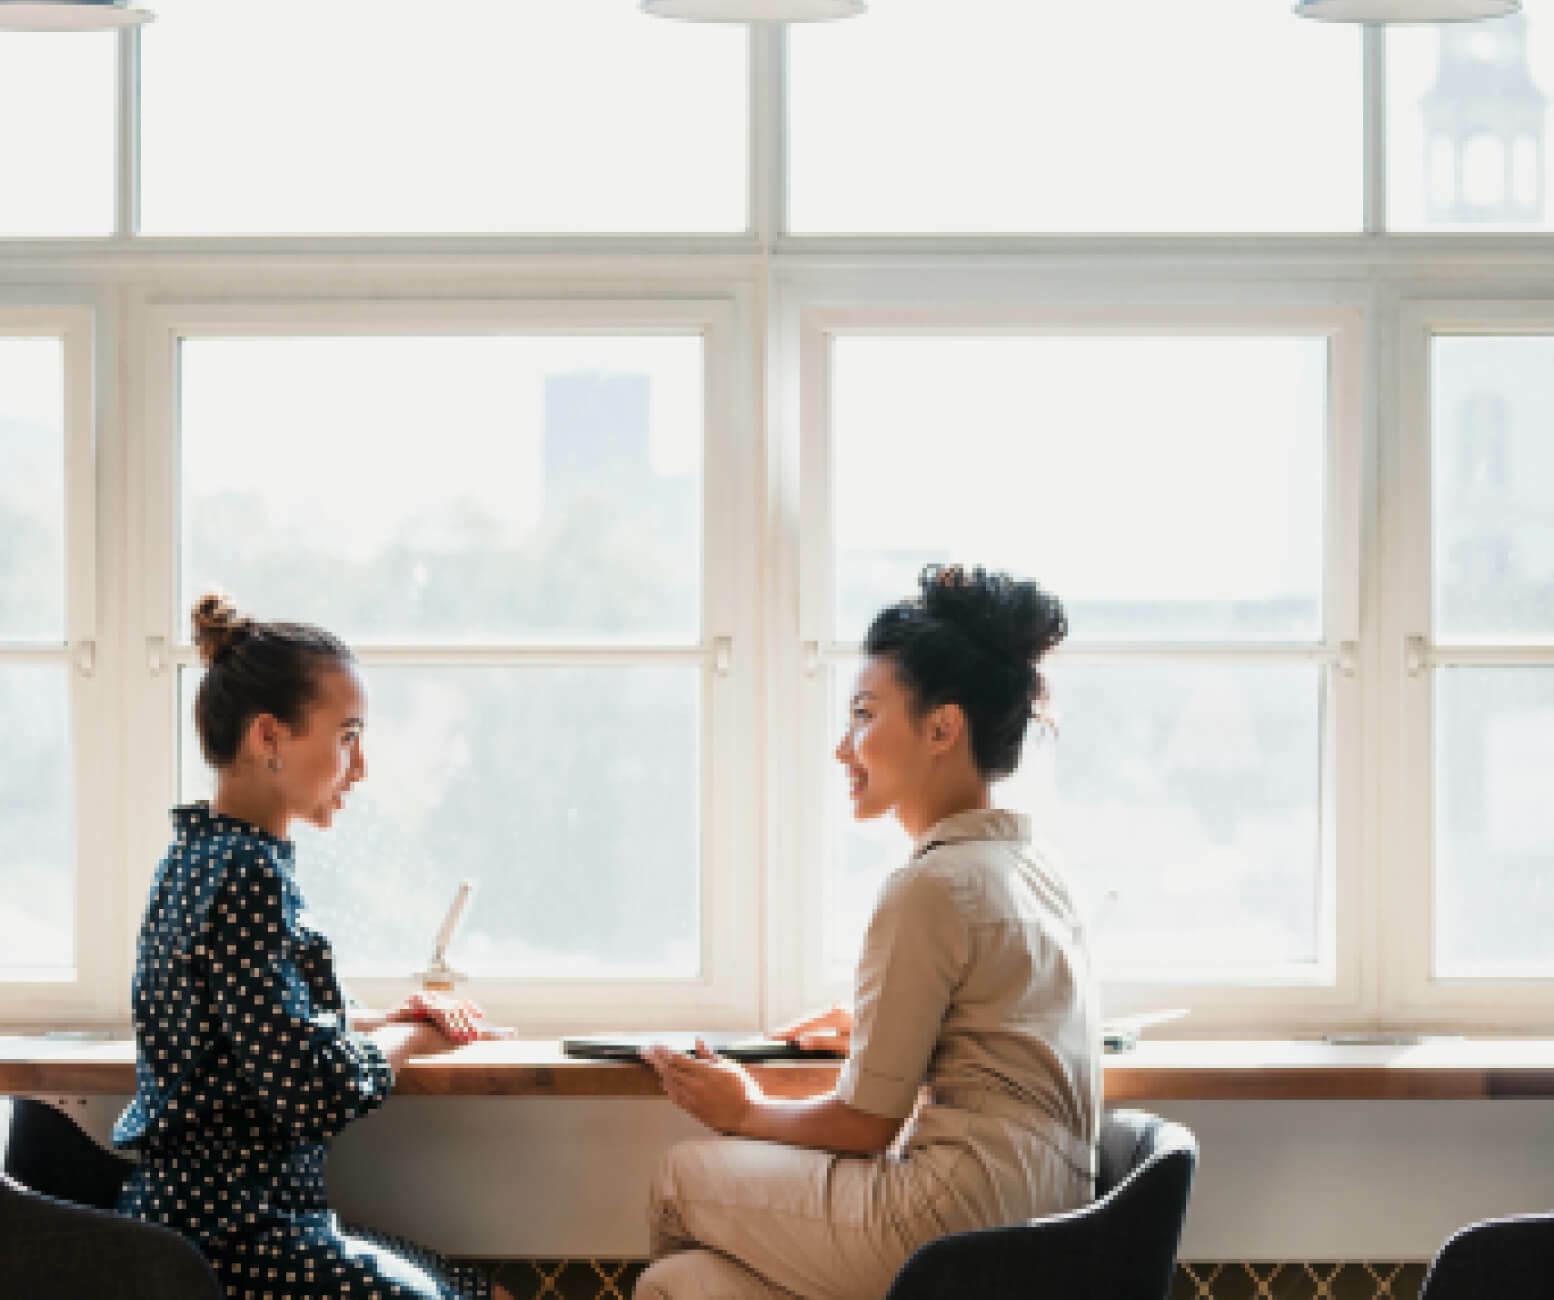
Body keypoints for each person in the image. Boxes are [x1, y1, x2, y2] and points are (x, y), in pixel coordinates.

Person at [638, 564, 1101, 1299]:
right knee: (678, 1285)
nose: (843, 747)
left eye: (862, 715)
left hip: (953, 1220)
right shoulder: (1033, 870)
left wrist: (745, 1108)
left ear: (942, 728)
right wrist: (874, 1030)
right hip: (1055, 1221)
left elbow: (865, 1125)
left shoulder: (931, 884)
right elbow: (1003, 1029)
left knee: (679, 1177)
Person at [112, 594, 516, 1300]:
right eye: (347, 736)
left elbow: (253, 1016)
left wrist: (378, 1020)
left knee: (471, 1287)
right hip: (232, 1237)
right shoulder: (247, 875)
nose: (359, 766)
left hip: (200, 1217)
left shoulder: (196, 854)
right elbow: (313, 1088)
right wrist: (411, 1041)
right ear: (268, 737)